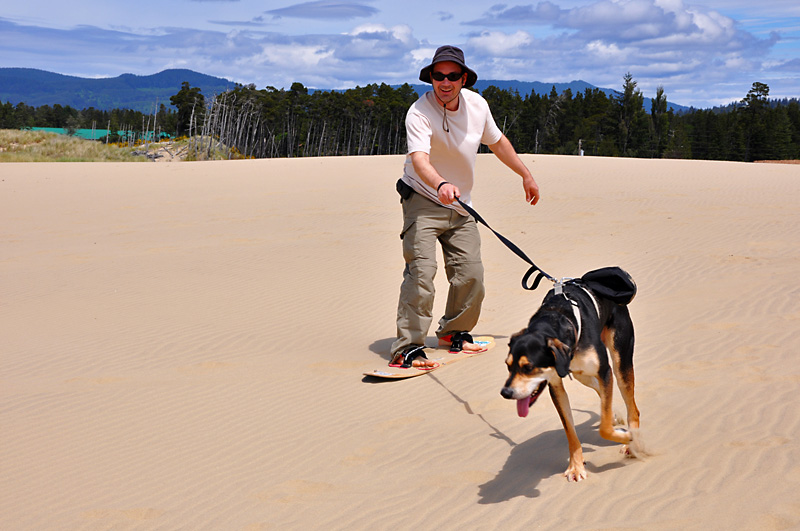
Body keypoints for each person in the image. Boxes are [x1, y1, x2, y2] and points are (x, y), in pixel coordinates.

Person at [390, 45, 540, 369]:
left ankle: (453, 332)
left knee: (471, 275)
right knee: (421, 274)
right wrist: (440, 184)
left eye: (453, 76)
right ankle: (407, 348)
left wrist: (525, 173)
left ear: (464, 78)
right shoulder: (418, 112)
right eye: (438, 76)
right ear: (430, 77)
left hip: (461, 207)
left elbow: (498, 143)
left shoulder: (477, 106)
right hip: (422, 201)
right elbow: (419, 160)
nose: (445, 82)